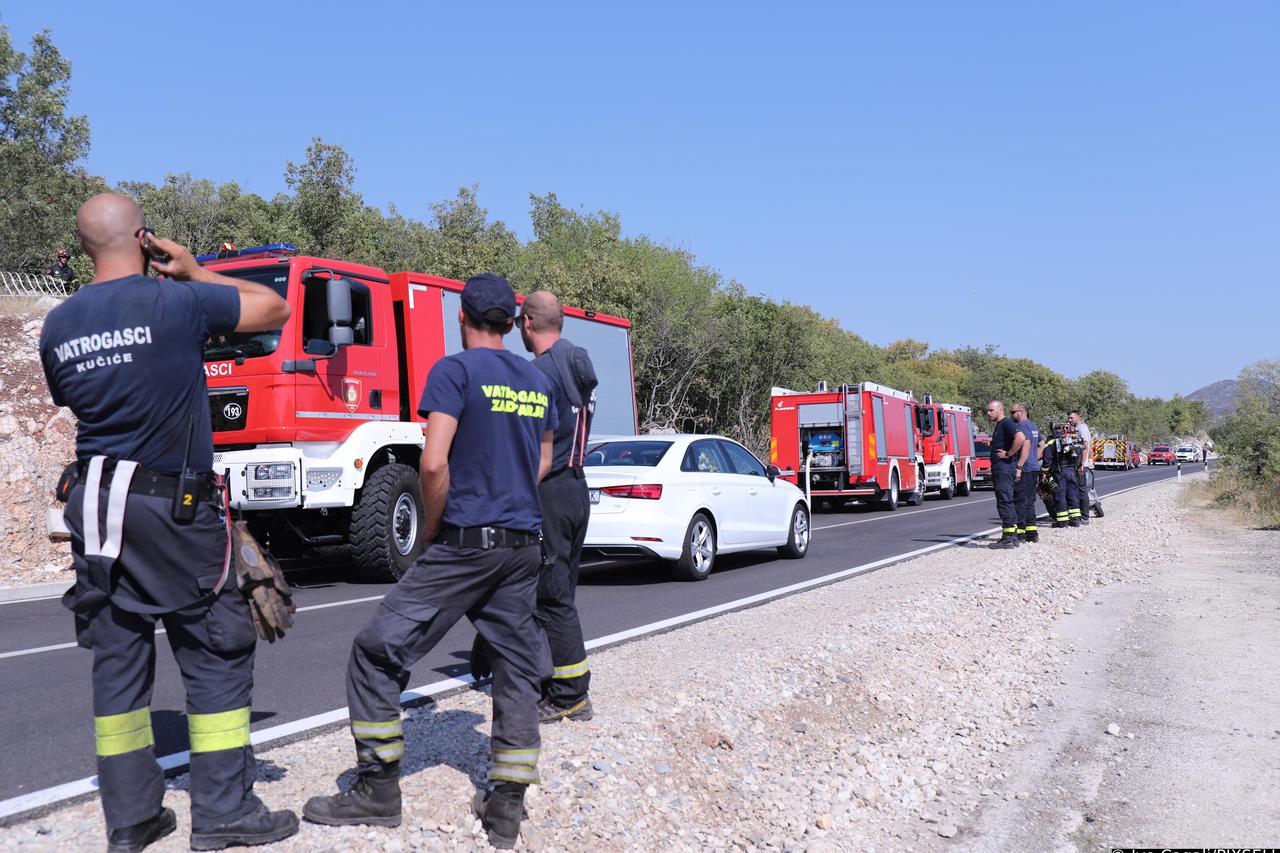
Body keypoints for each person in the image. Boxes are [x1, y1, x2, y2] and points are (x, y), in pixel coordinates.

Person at [37, 194, 297, 852]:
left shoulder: (59, 325)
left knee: (119, 659)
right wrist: (192, 271)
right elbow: (275, 309)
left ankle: (132, 819)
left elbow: (77, 400)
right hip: (170, 506)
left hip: (95, 508)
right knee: (216, 648)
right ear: (144, 237)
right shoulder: (176, 301)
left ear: (87, 247)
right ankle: (223, 811)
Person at [303, 273, 557, 850]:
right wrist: (512, 489)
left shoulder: (455, 370)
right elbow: (544, 453)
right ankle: (507, 803)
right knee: (516, 666)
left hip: (466, 543)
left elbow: (435, 464)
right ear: (513, 322)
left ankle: (377, 790)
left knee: (376, 651)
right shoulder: (534, 378)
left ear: (462, 317)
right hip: (522, 544)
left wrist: (433, 530)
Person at [518, 290, 599, 723]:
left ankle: (570, 695)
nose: (519, 332)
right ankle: (559, 682)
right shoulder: (577, 365)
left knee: (551, 596)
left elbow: (530, 445)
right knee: (561, 592)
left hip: (549, 490)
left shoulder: (539, 374)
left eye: (519, 324)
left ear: (530, 321)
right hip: (577, 487)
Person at [986, 401, 1021, 548]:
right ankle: (1012, 536)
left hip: (1004, 469)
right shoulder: (999, 425)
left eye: (991, 410)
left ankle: (1008, 539)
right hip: (1002, 468)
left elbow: (1020, 438)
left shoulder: (1006, 423)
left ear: (1000, 410)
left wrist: (1009, 453)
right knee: (1007, 501)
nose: (988, 413)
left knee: (1004, 502)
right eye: (987, 411)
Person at [1011, 403, 1042, 542]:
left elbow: (1026, 444)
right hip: (1033, 468)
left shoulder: (1022, 426)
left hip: (1025, 469)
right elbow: (1042, 444)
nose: (1011, 415)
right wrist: (1034, 459)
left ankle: (1021, 533)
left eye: (1012, 412)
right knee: (1030, 501)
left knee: (1020, 501)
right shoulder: (1033, 425)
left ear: (1021, 412)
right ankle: (1032, 532)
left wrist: (1020, 465)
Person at [1068, 410, 1093, 524]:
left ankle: (1085, 517)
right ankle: (1076, 515)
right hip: (1075, 463)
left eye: (1072, 418)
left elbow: (1085, 447)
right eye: (1069, 418)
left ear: (1078, 417)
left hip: (1080, 465)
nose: (1069, 420)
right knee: (1076, 490)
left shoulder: (1082, 429)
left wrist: (1082, 464)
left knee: (1082, 490)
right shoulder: (1076, 429)